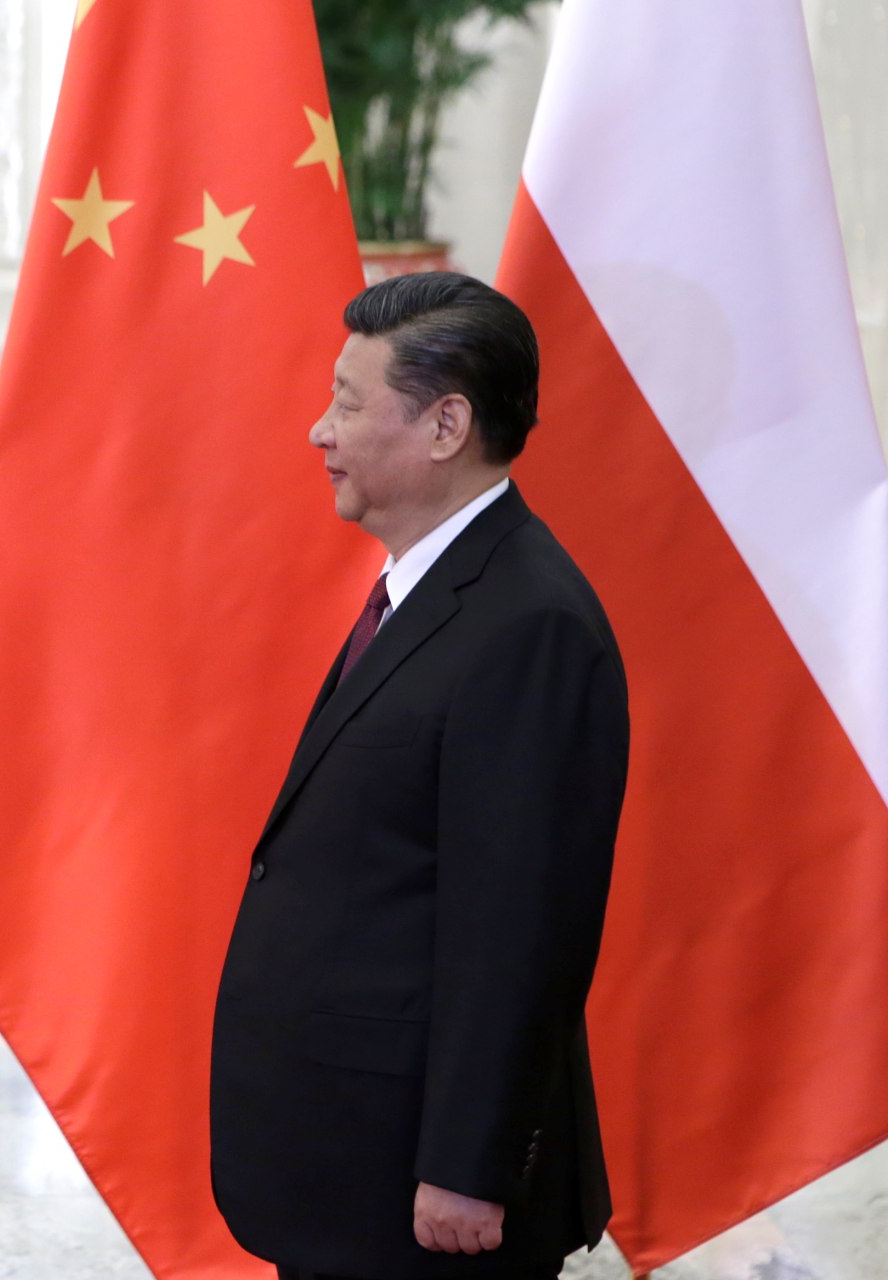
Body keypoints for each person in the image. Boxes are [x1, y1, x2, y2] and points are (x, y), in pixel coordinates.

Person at [209, 272, 630, 1280]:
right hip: (348, 1160)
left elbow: (521, 929)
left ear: (447, 425)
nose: (320, 431)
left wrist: (467, 1165)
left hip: (425, 1196)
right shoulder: (429, 591)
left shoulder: (529, 624)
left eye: (349, 404)